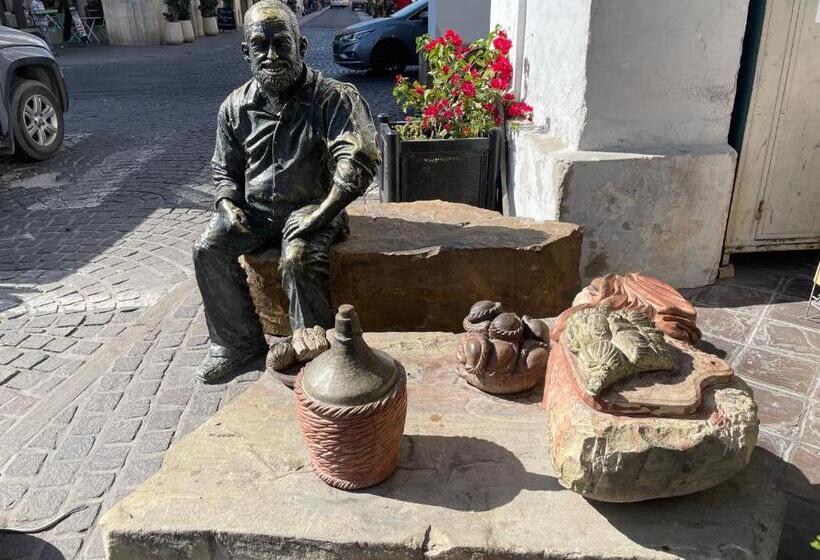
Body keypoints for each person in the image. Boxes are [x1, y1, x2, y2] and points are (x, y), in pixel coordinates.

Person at [193, 0, 380, 384]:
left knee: (295, 256)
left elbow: (357, 158)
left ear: (302, 46)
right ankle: (237, 343)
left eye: (282, 42)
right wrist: (228, 203)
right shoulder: (234, 107)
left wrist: (324, 211)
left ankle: (318, 352)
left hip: (316, 207)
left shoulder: (333, 97)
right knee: (207, 248)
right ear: (246, 52)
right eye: (260, 46)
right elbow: (223, 168)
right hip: (256, 213)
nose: (272, 54)